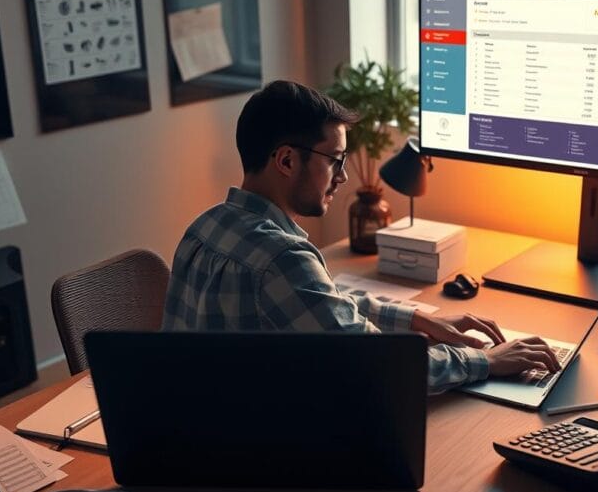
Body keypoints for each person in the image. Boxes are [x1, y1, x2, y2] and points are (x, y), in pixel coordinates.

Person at [161, 80, 561, 393]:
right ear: (285, 160)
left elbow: (325, 304)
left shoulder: (204, 228)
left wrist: (418, 319)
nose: (344, 176)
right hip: (260, 461)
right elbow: (381, 366)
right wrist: (488, 361)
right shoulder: (281, 257)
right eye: (335, 160)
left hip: (194, 437)